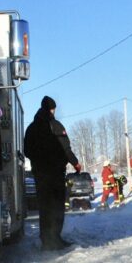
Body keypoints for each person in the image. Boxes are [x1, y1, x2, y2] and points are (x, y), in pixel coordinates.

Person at [24, 96, 81, 250]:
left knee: (44, 206)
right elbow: (66, 149)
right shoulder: (56, 126)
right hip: (55, 173)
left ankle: (46, 239)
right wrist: (75, 163)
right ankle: (55, 238)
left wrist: (38, 161)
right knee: (56, 206)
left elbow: (27, 151)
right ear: (52, 109)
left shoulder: (31, 128)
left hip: (40, 174)